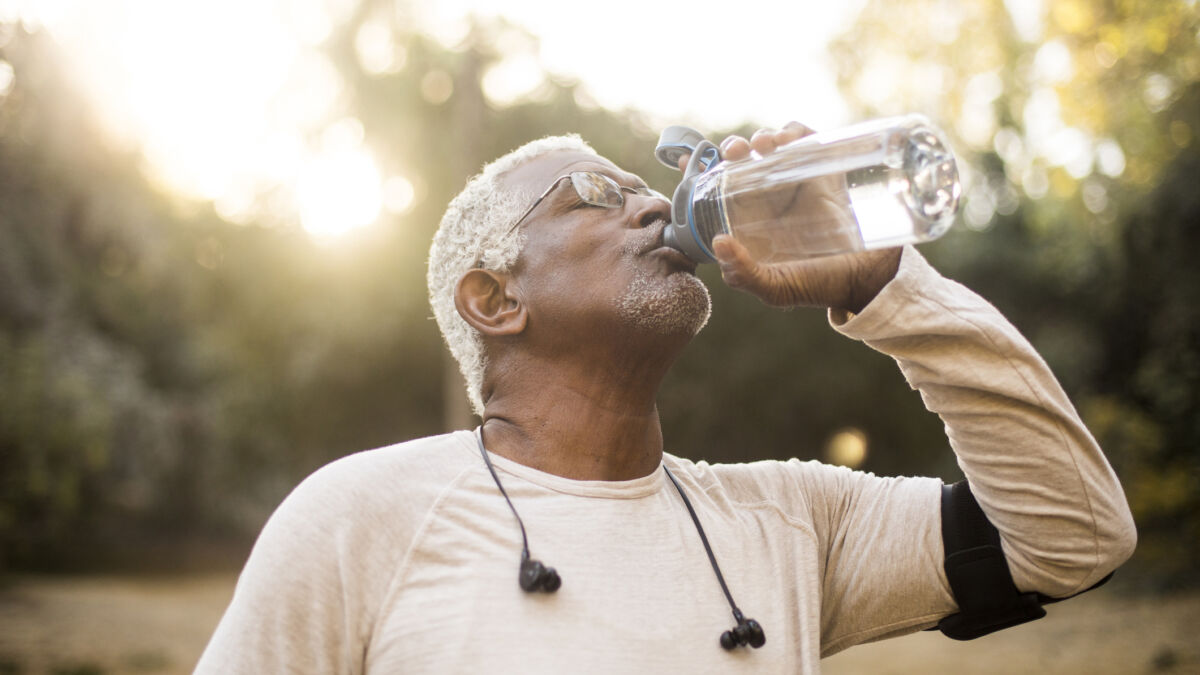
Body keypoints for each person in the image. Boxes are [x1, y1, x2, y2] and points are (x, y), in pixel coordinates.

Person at [196, 123, 1136, 673]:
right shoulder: (360, 517)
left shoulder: (791, 519)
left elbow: (1076, 535)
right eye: (592, 193)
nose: (651, 205)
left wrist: (886, 289)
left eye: (646, 186)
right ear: (495, 298)